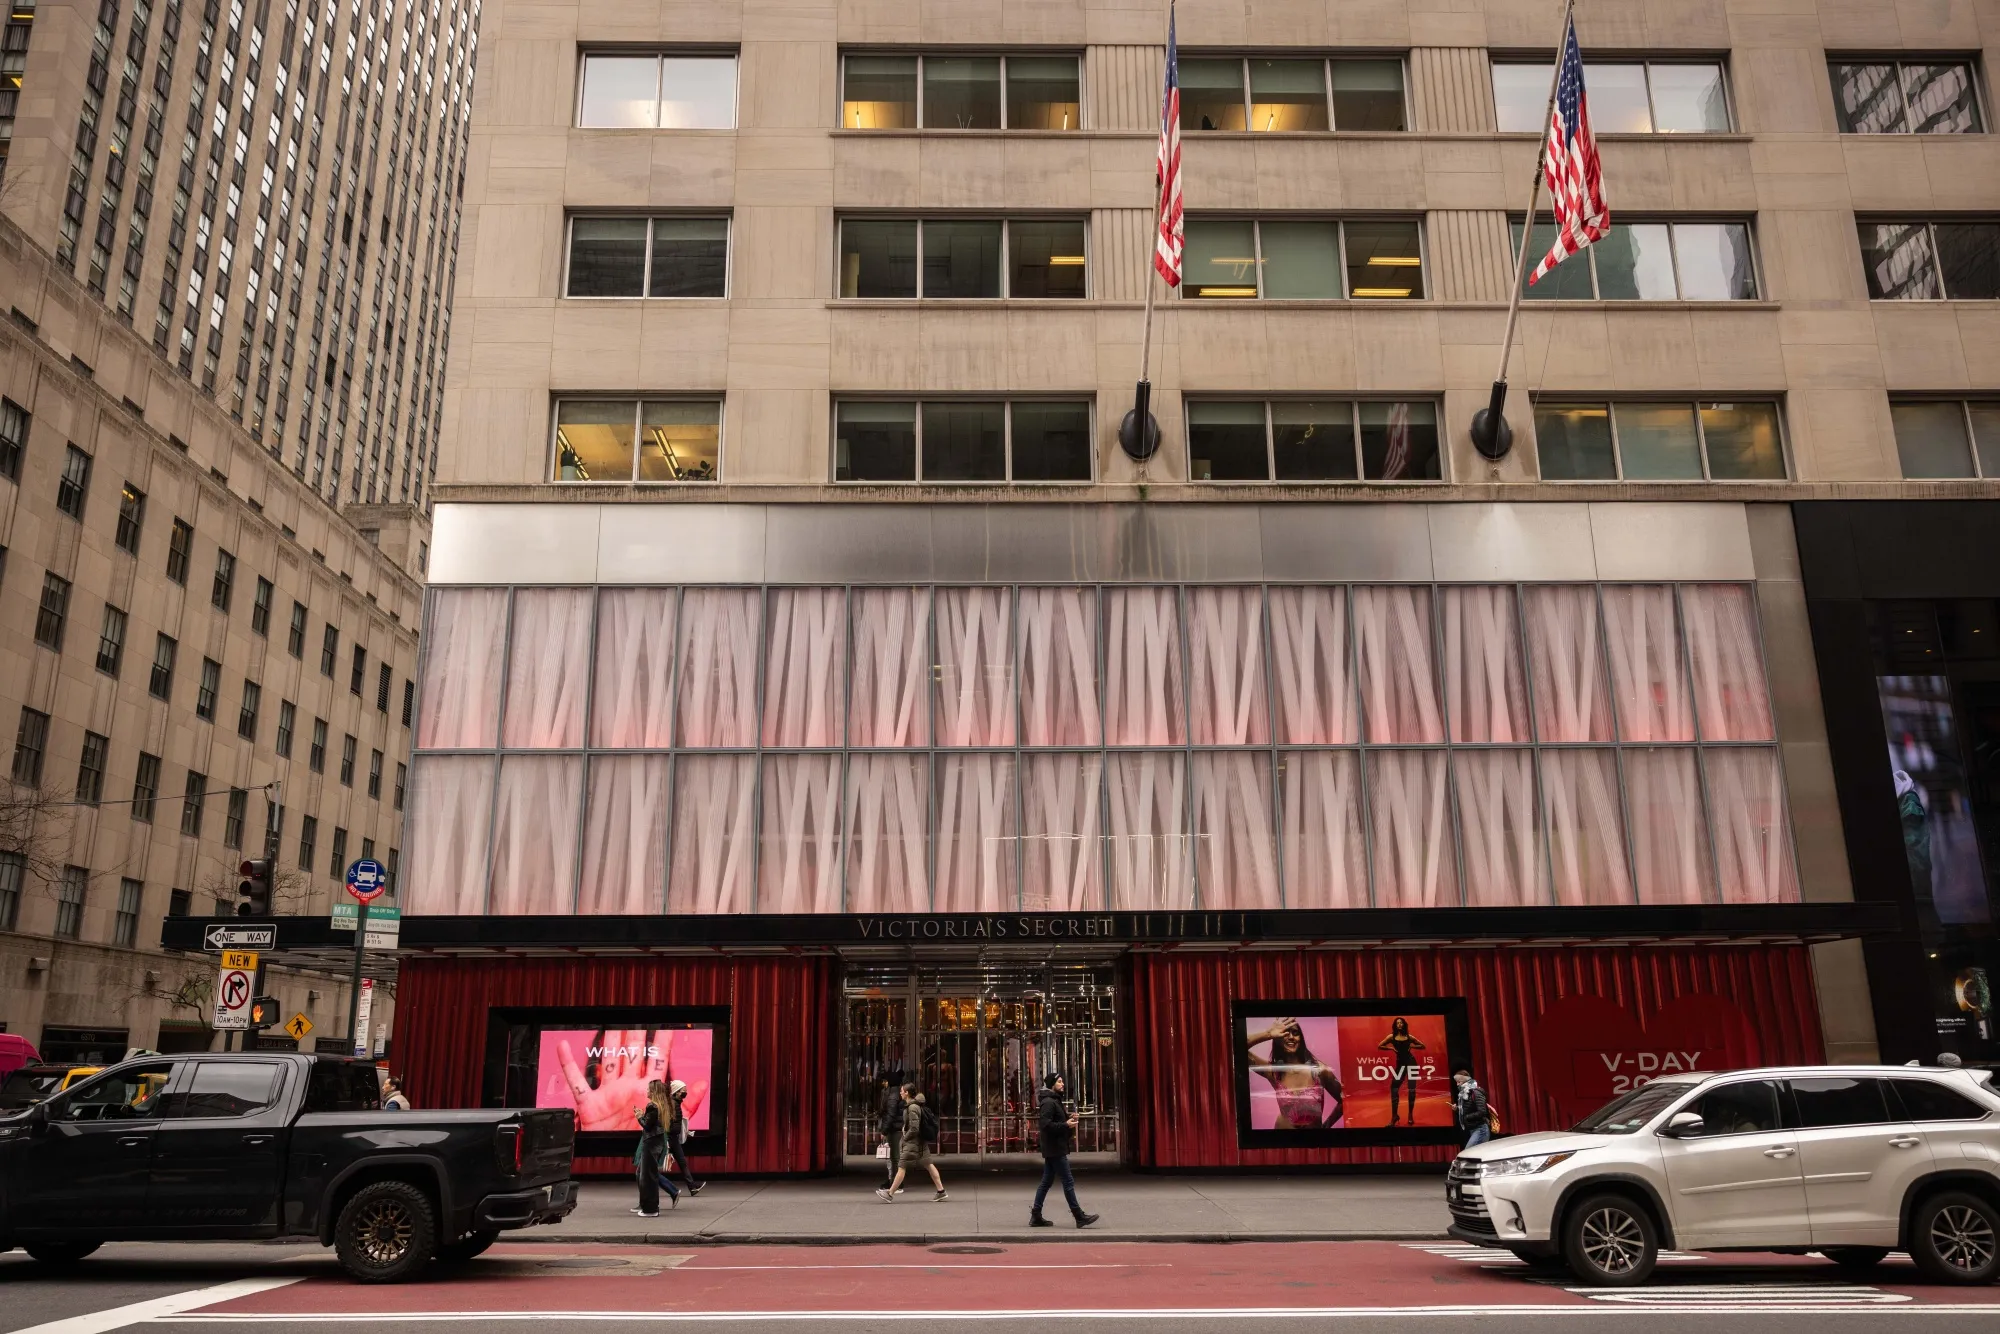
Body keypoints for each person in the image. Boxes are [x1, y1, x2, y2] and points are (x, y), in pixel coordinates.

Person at [1245, 1018, 1344, 1129]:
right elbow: (1237, 1047)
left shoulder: (1319, 1070)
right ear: (1277, 1038)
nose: (1291, 1037)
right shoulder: (1273, 1072)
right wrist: (1268, 1034)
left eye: (1295, 1033)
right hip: (1282, 1142)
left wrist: (1326, 1126)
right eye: (1285, 1033)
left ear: (1301, 1038)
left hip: (1313, 1144)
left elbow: (1345, 1100)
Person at [1029, 1072, 1099, 1229]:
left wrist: (1071, 1120)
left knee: (1046, 1182)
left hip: (1055, 1147)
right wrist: (1066, 1125)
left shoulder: (1054, 1100)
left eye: (1062, 1081)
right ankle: (1079, 1216)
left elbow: (1059, 1122)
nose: (1063, 1084)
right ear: (1052, 1084)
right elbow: (1045, 1125)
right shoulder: (1048, 1102)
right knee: (1068, 1181)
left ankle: (1036, 1215)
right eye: (1059, 1081)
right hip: (1055, 1149)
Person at [876, 1083, 947, 1203]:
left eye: (902, 1091)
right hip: (919, 1141)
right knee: (929, 1164)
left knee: (902, 1166)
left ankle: (890, 1193)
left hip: (912, 1142)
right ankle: (941, 1191)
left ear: (907, 1093)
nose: (900, 1093)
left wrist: (905, 1138)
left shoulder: (912, 1107)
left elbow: (914, 1128)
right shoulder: (913, 1106)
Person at [631, 1078, 671, 1217]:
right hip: (657, 1142)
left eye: (648, 1089)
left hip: (651, 1143)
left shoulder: (652, 1106)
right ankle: (650, 1206)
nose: (646, 1091)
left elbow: (647, 1126)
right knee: (649, 1175)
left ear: (653, 1091)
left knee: (647, 1177)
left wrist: (639, 1117)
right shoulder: (662, 1105)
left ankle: (650, 1209)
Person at [1375, 1018, 1425, 1126]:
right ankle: (1394, 1116)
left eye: (1401, 1023)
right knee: (1394, 1088)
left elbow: (1422, 1045)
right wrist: (1391, 1049)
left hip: (1411, 1063)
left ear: (1404, 1024)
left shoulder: (1409, 1037)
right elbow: (1380, 1045)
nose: (1399, 1024)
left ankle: (1410, 1115)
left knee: (1411, 1089)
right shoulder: (1391, 1037)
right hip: (1400, 1064)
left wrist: (1412, 1046)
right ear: (1395, 1025)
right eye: (1397, 1023)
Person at [663, 1078, 704, 1198]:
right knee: (657, 1165)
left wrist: (685, 1131)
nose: (685, 1092)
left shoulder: (674, 1103)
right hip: (671, 1139)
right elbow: (672, 1124)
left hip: (673, 1138)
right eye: (683, 1090)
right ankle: (649, 1185)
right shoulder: (673, 1104)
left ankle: (692, 1186)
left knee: (682, 1163)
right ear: (676, 1091)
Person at [875, 1069, 904, 1192]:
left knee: (895, 1157)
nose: (884, 1083)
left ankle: (895, 1183)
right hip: (895, 1127)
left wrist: (884, 1130)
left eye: (886, 1081)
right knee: (894, 1156)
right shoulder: (893, 1092)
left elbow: (891, 1114)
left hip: (894, 1129)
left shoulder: (893, 1094)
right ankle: (893, 1180)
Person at [1453, 1067, 1491, 1148]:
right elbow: (1467, 1110)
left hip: (1481, 1129)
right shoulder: (1463, 1094)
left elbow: (1482, 1111)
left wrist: (1466, 1117)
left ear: (1464, 1081)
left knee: (1468, 1153)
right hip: (1473, 1129)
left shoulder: (1476, 1092)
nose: (1457, 1084)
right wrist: (1457, 1110)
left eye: (1459, 1082)